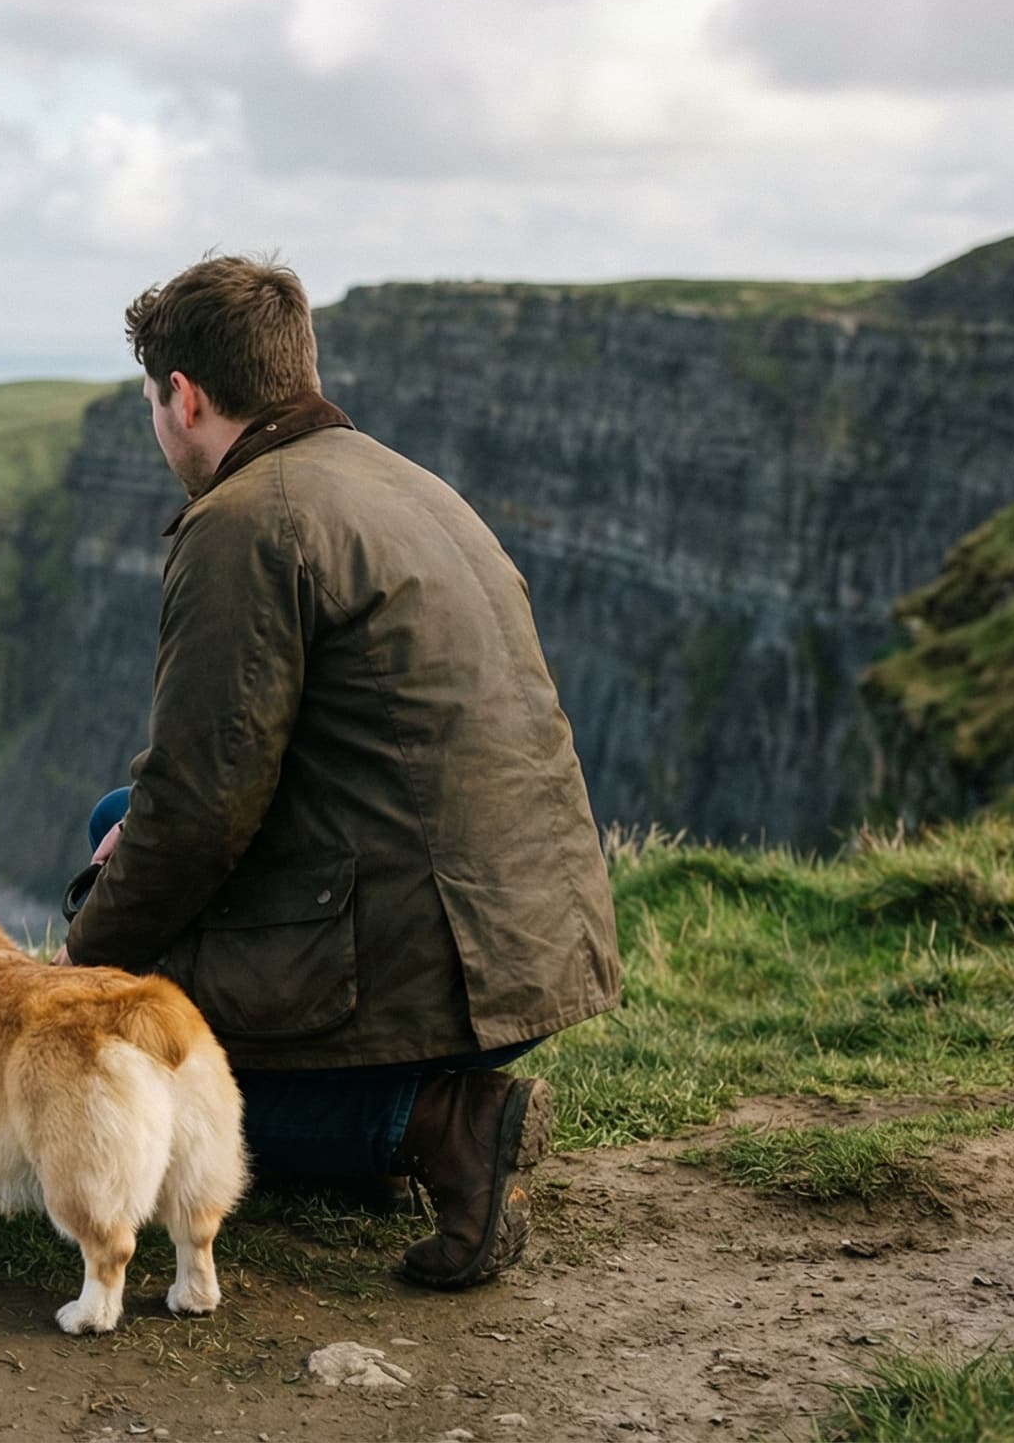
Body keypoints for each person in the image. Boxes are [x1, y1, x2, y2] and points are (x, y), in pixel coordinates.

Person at [61, 254, 620, 1289]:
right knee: (112, 814)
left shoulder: (243, 524)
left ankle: (435, 1124)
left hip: (435, 961)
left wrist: (72, 989)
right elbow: (200, 791)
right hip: (525, 933)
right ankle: (392, 1109)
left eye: (151, 401)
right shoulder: (402, 480)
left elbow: (197, 812)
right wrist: (136, 836)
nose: (154, 425)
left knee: (121, 1073)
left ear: (184, 397)